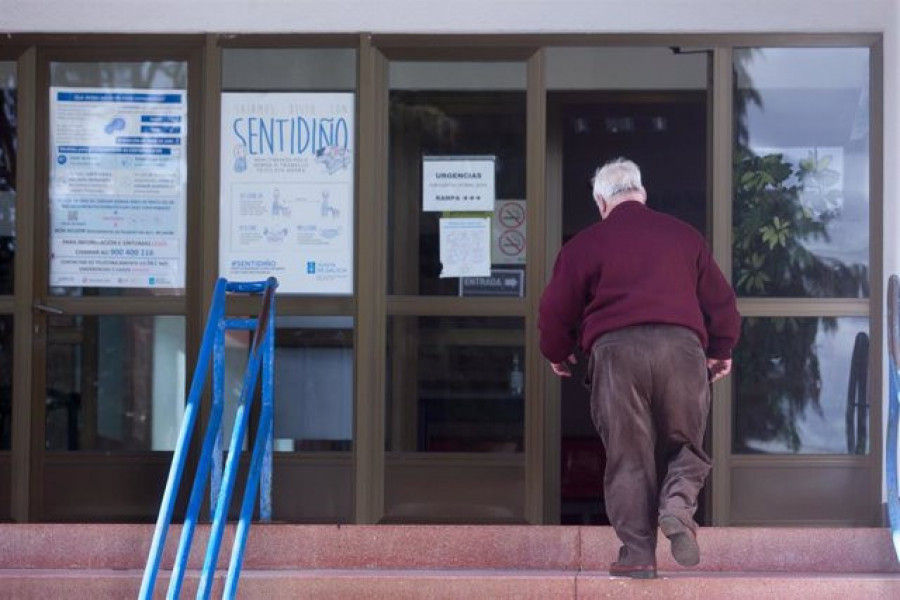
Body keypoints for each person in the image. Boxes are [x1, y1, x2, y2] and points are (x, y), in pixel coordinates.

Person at [539, 158, 740, 579]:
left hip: (616, 355)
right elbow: (722, 302)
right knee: (687, 444)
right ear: (642, 193)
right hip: (681, 350)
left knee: (629, 456)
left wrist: (557, 352)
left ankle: (637, 555)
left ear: (601, 200)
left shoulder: (584, 245)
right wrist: (721, 349)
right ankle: (678, 510)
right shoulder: (684, 237)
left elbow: (555, 310)